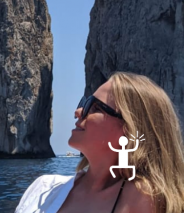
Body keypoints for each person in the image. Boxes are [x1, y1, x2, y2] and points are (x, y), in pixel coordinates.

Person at [15, 72, 184, 213]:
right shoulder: (43, 188)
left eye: (95, 107)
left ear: (130, 129)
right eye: (84, 102)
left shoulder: (143, 197)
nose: (78, 111)